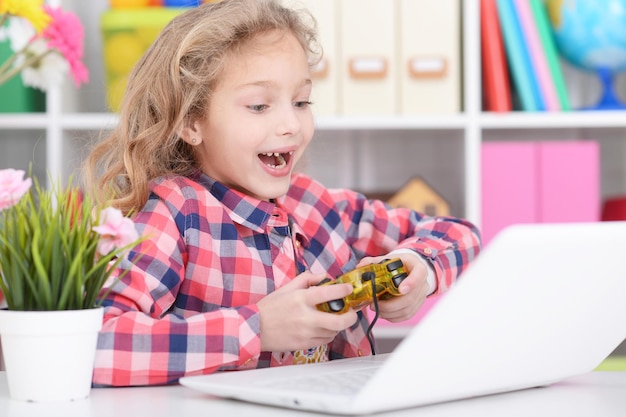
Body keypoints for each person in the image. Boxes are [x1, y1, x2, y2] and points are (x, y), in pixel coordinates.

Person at [82, 0, 481, 387]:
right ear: (191, 123)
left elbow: (460, 234)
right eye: (259, 106)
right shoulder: (176, 214)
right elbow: (97, 344)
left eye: (301, 101)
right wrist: (256, 329)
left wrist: (420, 271)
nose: (292, 124)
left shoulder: (318, 206)